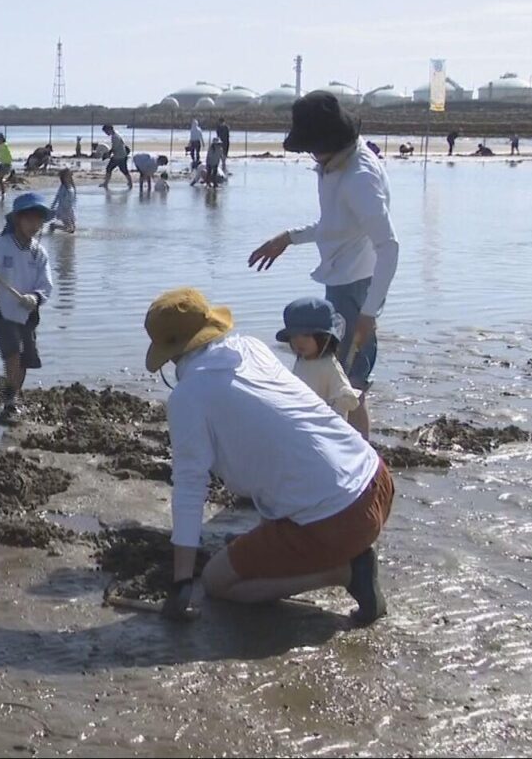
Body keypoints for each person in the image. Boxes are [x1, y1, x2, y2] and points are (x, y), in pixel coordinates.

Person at [142, 287, 393, 626]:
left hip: (340, 518)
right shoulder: (250, 347)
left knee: (218, 582)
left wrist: (182, 583)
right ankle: (303, 548)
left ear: (170, 354)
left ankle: (347, 571)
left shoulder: (187, 397)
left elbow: (189, 487)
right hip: (376, 479)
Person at [248, 91, 398, 440]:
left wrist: (368, 313)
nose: (312, 156)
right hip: (341, 280)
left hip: (357, 287)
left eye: (313, 149)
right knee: (338, 376)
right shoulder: (336, 163)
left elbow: (389, 246)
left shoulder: (360, 178)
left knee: (351, 384)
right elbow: (335, 224)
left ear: (331, 142)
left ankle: (360, 457)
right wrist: (289, 237)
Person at [0, 192, 55, 420]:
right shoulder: (2, 245)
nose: (35, 225)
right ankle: (9, 401)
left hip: (27, 312)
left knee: (25, 358)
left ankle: (12, 396)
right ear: (18, 220)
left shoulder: (39, 253)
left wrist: (35, 298)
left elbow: (46, 284)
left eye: (39, 220)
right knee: (13, 353)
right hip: (1, 309)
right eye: (30, 219)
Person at [277, 297, 362, 421]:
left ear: (324, 338)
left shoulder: (329, 366)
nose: (299, 342)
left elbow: (344, 396)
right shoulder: (302, 360)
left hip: (324, 422)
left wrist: (334, 418)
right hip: (302, 417)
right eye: (294, 336)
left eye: (306, 336)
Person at [49, 167, 77, 233]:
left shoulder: (72, 186)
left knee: (73, 228)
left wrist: (74, 207)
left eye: (69, 176)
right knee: (70, 229)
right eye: (66, 176)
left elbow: (74, 198)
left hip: (70, 209)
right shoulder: (63, 187)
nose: (67, 178)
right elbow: (57, 197)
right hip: (63, 210)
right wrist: (52, 207)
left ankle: (54, 226)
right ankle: (54, 226)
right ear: (63, 178)